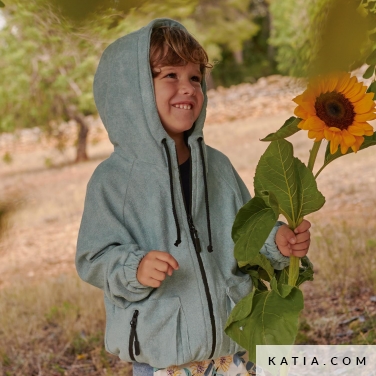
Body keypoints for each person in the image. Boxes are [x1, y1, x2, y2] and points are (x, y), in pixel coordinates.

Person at [75, 18, 311, 376]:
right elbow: (93, 257)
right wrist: (133, 267)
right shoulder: (112, 181)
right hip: (163, 354)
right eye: (170, 75)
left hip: (233, 349)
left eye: (195, 78)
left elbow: (246, 229)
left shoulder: (217, 167)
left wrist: (276, 240)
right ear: (131, 90)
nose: (187, 88)